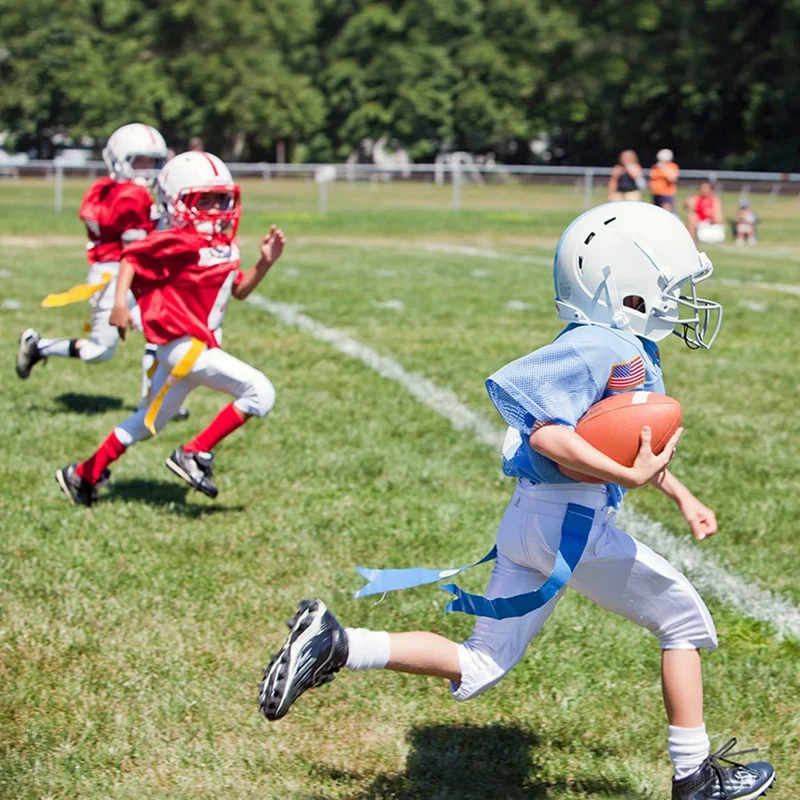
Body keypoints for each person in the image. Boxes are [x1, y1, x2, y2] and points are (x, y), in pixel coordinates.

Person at [257, 203, 775, 800]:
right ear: (625, 283)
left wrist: (680, 494)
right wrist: (624, 477)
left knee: (480, 663)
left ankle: (337, 642)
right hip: (569, 525)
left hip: (534, 519)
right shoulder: (597, 343)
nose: (679, 298)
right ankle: (695, 776)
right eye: (670, 284)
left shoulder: (621, 345)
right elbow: (545, 432)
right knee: (682, 620)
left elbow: (621, 445)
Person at [54, 151, 286, 506]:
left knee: (147, 424)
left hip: (194, 348)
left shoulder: (222, 245)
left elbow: (237, 290)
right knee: (260, 392)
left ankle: (83, 474)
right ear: (176, 202)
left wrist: (265, 264)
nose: (216, 208)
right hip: (185, 347)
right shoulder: (180, 239)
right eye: (203, 200)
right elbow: (131, 256)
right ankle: (193, 453)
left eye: (220, 198)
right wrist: (119, 304)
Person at [16, 123, 168, 380]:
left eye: (153, 162)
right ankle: (39, 346)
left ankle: (156, 405)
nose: (149, 169)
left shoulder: (109, 189)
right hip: (116, 276)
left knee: (161, 334)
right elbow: (134, 250)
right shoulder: (130, 196)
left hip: (124, 272)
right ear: (120, 160)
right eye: (141, 161)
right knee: (99, 352)